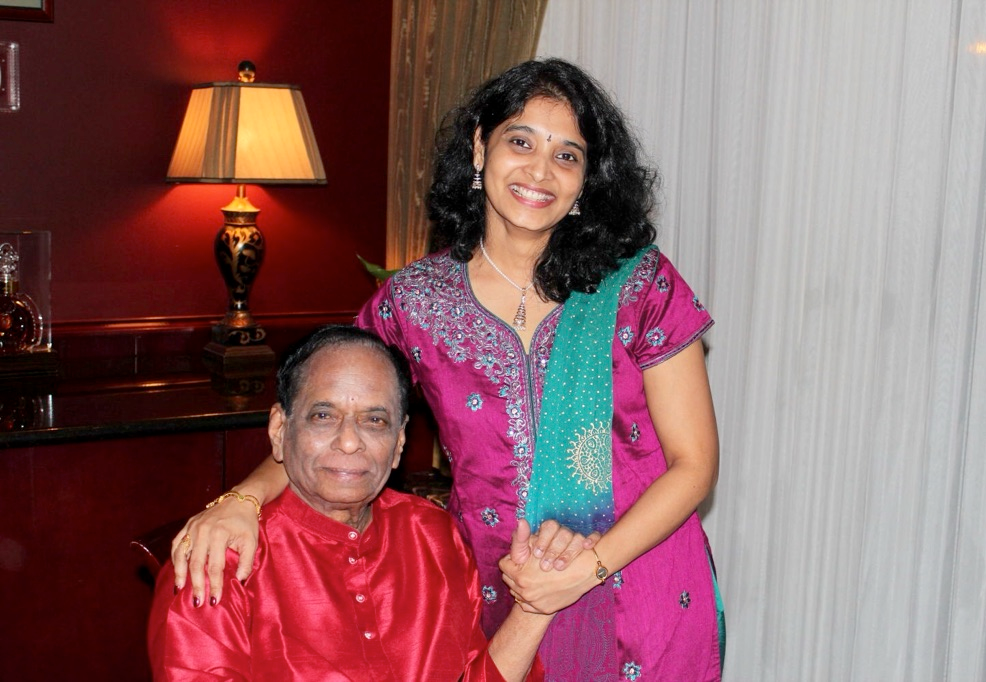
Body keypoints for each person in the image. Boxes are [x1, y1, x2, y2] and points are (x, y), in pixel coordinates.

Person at [173, 58, 724, 681]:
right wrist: (241, 500)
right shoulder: (414, 303)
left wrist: (586, 569)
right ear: (480, 147)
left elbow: (694, 464)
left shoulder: (639, 285)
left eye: (567, 155)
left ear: (587, 179)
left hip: (640, 585)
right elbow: (329, 419)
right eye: (521, 142)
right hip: (499, 590)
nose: (540, 171)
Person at [150, 326, 555, 681]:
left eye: (374, 421)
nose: (349, 442)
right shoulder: (216, 562)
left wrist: (536, 606)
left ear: (399, 442)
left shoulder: (432, 536)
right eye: (323, 416)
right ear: (279, 429)